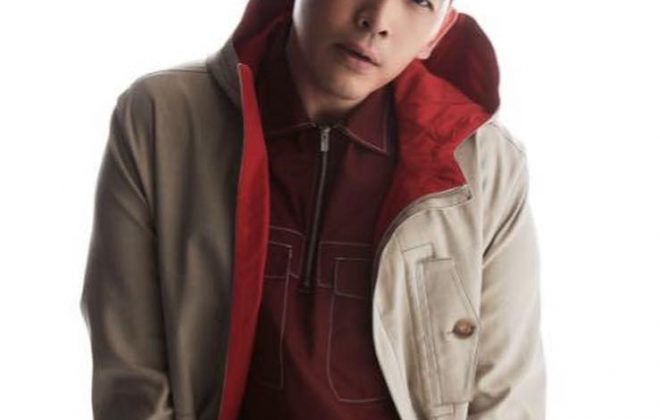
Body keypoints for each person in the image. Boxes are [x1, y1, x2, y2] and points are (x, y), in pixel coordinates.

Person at [79, 0, 546, 419]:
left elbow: (505, 393)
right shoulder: (162, 118)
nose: (377, 19)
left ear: (438, 32)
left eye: (419, 1)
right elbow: (132, 376)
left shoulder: (486, 166)